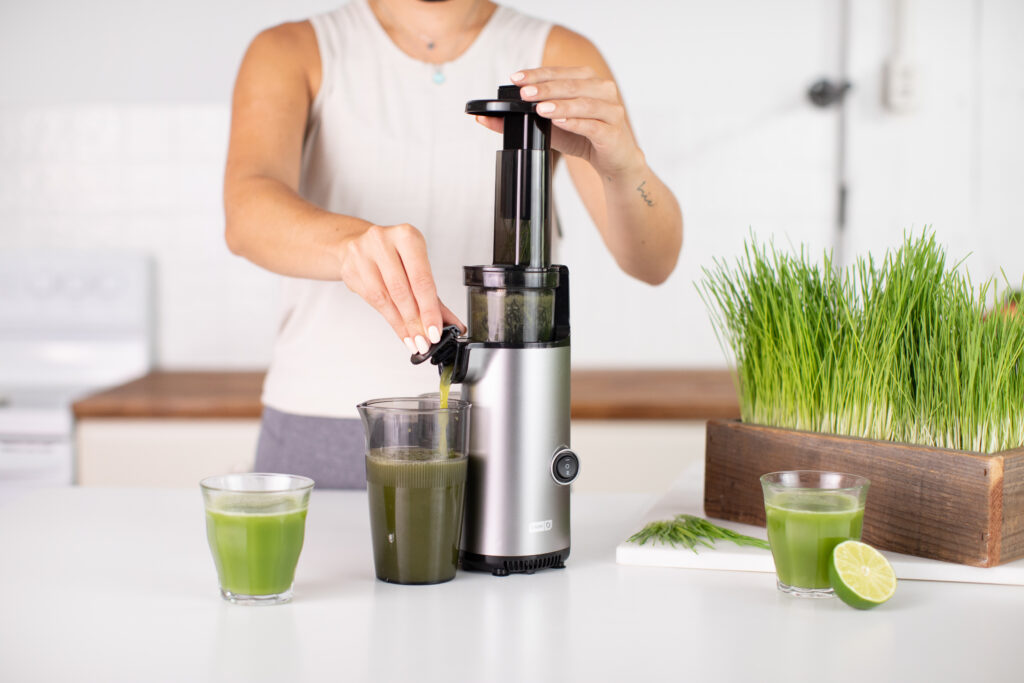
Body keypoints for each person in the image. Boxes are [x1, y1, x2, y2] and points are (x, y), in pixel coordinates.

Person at [223, 0, 683, 487]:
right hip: (322, 426)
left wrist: (625, 165)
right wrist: (349, 245)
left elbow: (653, 261)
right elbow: (247, 211)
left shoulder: (559, 54)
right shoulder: (293, 50)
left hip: (501, 430)